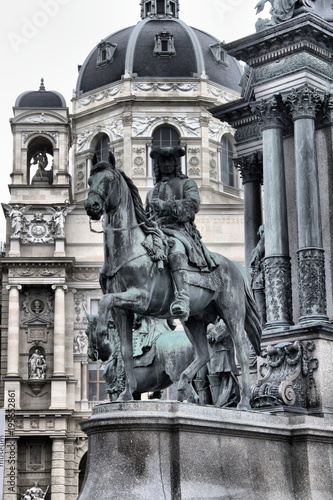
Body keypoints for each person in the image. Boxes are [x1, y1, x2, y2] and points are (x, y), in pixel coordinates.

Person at [147, 146, 218, 320]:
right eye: (162, 162)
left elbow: (193, 205)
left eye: (169, 161)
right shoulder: (151, 192)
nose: (166, 165)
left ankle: (183, 297)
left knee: (176, 251)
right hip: (156, 232)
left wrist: (167, 206)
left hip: (178, 230)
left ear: (176, 163)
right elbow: (146, 216)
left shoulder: (187, 184)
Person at [206, 319, 240, 407]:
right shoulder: (215, 322)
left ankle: (228, 400)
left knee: (228, 376)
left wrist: (210, 331)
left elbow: (217, 336)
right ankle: (223, 400)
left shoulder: (224, 321)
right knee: (222, 376)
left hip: (225, 352)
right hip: (218, 353)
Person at [249, 225, 266, 328]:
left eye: (264, 232)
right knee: (260, 311)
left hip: (267, 282)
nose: (263, 235)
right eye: (262, 233)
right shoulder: (256, 250)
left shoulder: (269, 246)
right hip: (257, 284)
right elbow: (251, 268)